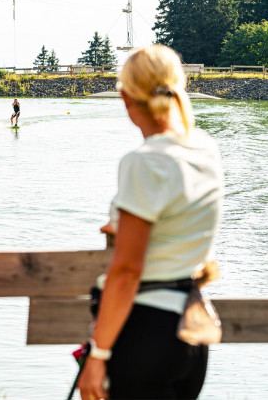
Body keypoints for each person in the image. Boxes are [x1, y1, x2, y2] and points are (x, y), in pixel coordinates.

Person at [77, 45, 224, 400]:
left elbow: (127, 271)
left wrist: (98, 355)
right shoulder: (205, 150)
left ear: (126, 99)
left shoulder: (144, 162)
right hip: (191, 332)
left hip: (147, 333)